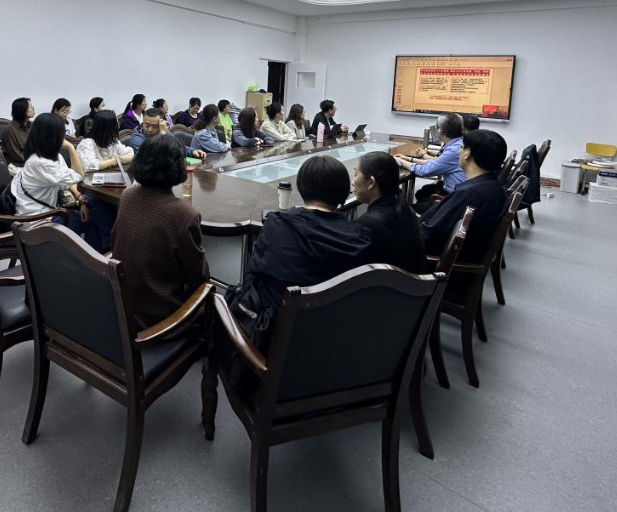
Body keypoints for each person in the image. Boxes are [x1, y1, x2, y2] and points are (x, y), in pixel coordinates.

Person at [224, 155, 371, 358]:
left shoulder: (278, 225)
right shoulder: (360, 238)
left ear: (301, 188)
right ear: (343, 193)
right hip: (335, 347)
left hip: (274, 346)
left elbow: (255, 273)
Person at [110, 133, 210, 330]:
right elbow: (199, 279)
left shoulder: (127, 196)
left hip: (122, 306)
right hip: (161, 321)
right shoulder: (183, 214)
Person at [11, 113, 111, 249]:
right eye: (62, 132)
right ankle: (95, 255)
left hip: (48, 212)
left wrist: (81, 200)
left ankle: (92, 255)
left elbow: (67, 182)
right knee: (93, 219)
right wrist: (70, 147)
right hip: (36, 221)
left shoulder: (51, 156)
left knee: (92, 208)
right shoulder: (40, 163)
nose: (64, 136)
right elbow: (79, 175)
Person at [419, 129, 509, 263]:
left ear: (467, 153)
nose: (459, 151)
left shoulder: (468, 195)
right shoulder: (494, 188)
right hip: (466, 256)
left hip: (434, 263)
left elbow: (429, 235)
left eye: (461, 147)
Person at [352, 151, 427, 273]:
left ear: (371, 182)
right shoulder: (403, 207)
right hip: (414, 281)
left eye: (356, 174)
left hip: (388, 284)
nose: (352, 182)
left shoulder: (367, 225)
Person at [396, 112, 466, 209]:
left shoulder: (453, 150)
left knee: (408, 209)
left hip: (455, 199)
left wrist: (400, 162)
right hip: (458, 192)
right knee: (422, 193)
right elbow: (438, 162)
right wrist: (409, 159)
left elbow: (425, 171)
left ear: (440, 131)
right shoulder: (458, 143)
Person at [125, 108, 207, 158]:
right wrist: (163, 134)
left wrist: (192, 152)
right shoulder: (136, 140)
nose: (150, 129)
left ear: (161, 124)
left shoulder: (162, 131)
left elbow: (175, 146)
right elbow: (156, 157)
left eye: (154, 126)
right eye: (147, 125)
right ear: (142, 123)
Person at [2, 97, 34, 171]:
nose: (33, 109)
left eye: (33, 106)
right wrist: (35, 161)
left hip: (32, 162)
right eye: (30, 107)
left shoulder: (32, 125)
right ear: (22, 110)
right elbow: (16, 155)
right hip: (17, 165)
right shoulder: (9, 130)